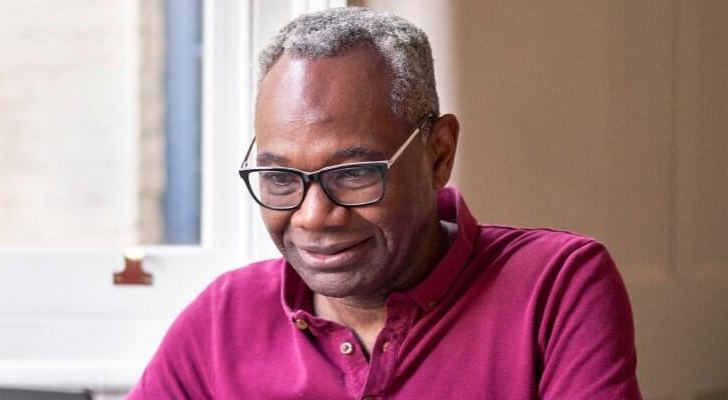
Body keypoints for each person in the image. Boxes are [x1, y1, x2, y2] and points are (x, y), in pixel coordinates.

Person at [128, 7, 641, 399]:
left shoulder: (555, 286)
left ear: (438, 154)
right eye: (281, 177)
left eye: (353, 173)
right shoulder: (224, 318)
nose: (312, 217)